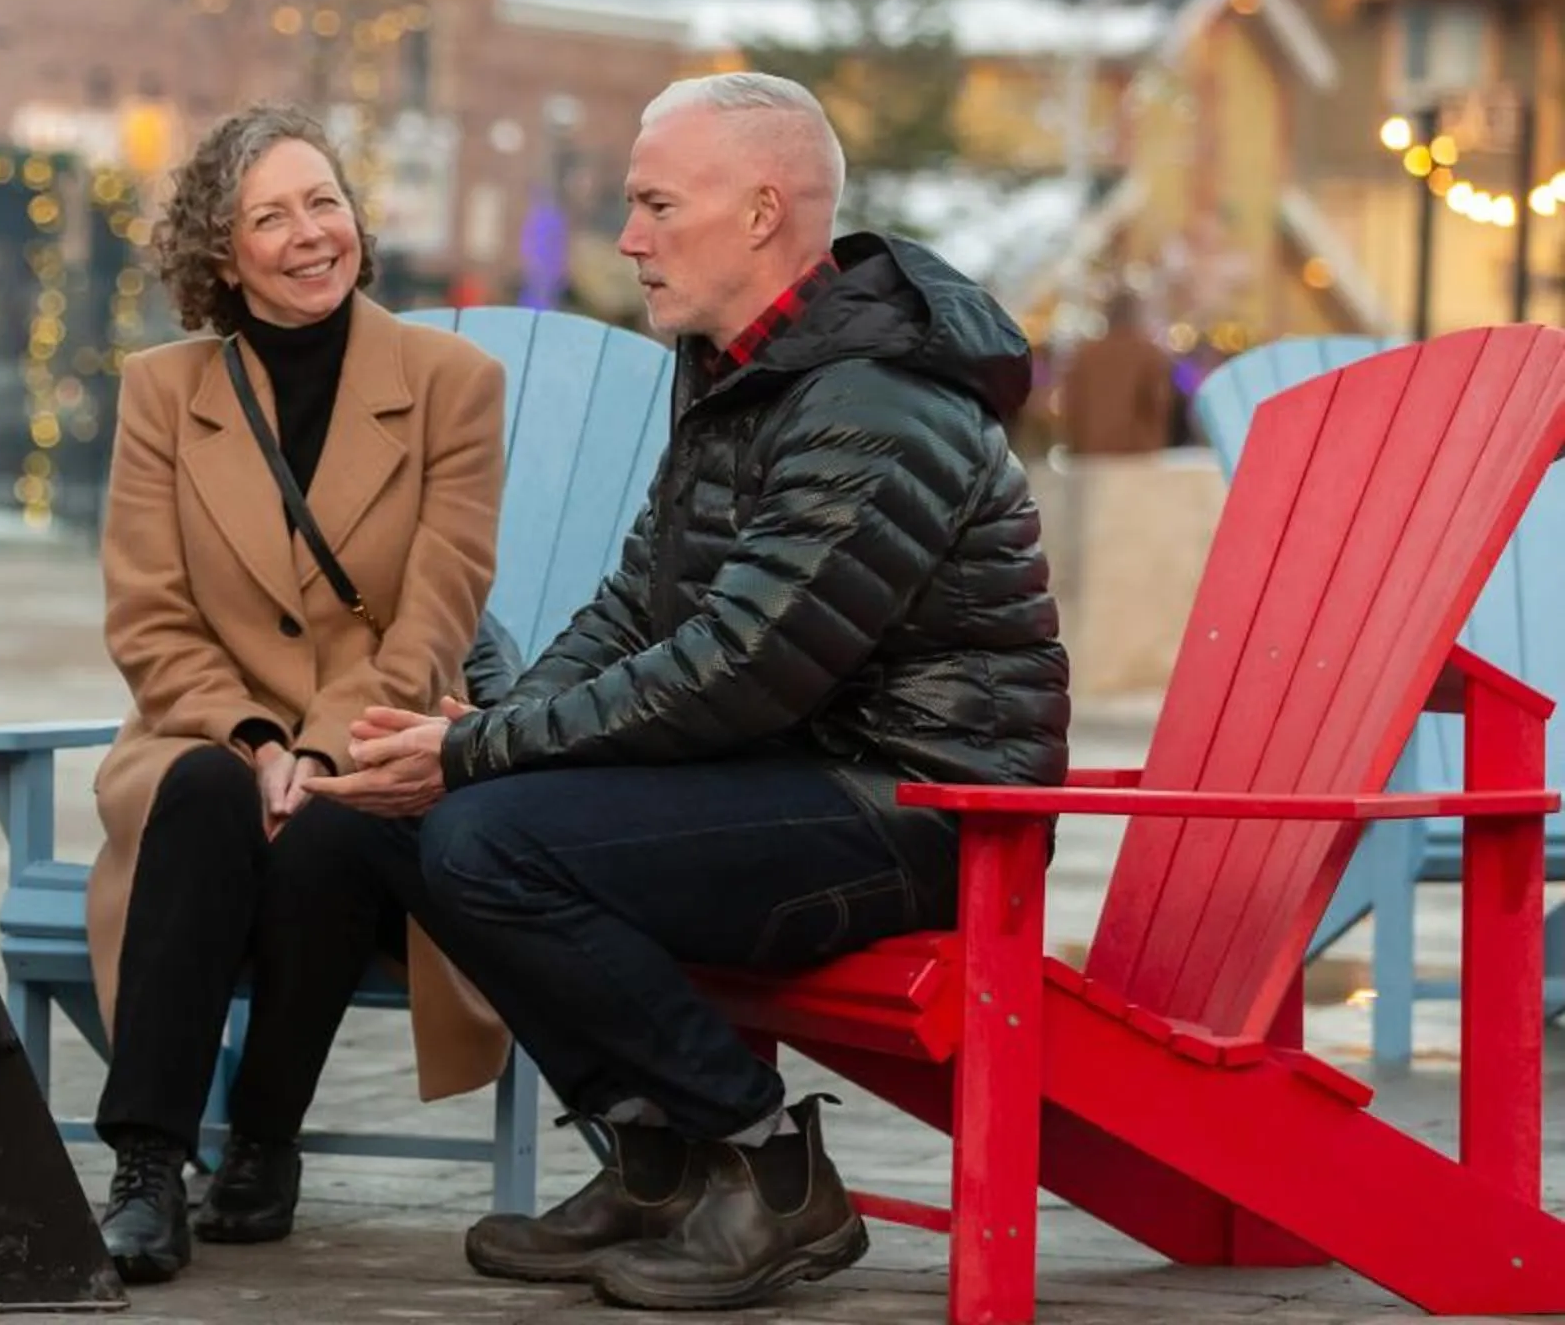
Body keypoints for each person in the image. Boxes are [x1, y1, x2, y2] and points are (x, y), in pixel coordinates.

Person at [303, 71, 1071, 1313]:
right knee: (399, 820)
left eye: (657, 204)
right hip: (786, 775)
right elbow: (635, 604)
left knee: (490, 835)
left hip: (925, 806)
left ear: (763, 211)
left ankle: (768, 1168)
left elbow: (743, 662)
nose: (628, 238)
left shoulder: (876, 399)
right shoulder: (739, 370)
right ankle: (657, 1160)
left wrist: (486, 758)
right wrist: (476, 732)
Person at [86, 101, 508, 1285]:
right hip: (195, 734)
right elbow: (148, 613)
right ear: (224, 254)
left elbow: (441, 606)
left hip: (382, 728)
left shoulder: (454, 384)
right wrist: (261, 736)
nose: (309, 232)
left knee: (332, 832)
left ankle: (266, 1138)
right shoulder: (163, 390)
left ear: (358, 223)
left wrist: (322, 752)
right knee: (213, 796)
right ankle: (151, 1162)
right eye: (270, 215)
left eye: (325, 200)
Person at [1056, 291, 1181, 456]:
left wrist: (1076, 445)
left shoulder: (1084, 355)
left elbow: (1070, 406)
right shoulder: (1149, 354)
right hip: (1137, 455)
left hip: (1091, 454)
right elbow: (1158, 404)